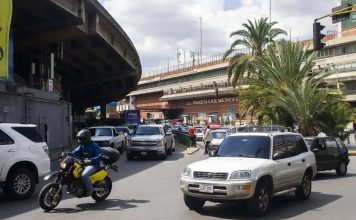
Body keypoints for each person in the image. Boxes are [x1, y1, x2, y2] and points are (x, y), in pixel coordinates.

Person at [69, 129, 102, 196]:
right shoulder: (82, 145)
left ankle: (90, 189)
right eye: (79, 138)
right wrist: (66, 153)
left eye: (81, 138)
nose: (79, 140)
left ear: (86, 138)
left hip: (94, 165)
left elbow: (99, 156)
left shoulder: (94, 145)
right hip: (83, 164)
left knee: (84, 175)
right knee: (73, 172)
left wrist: (90, 160)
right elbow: (75, 152)